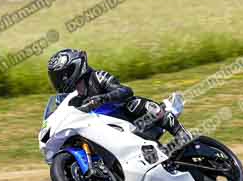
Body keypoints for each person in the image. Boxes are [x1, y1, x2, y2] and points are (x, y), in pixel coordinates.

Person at [47, 48, 191, 155]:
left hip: (131, 120)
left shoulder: (98, 77)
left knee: (132, 104)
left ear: (74, 68)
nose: (59, 81)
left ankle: (181, 134)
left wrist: (103, 98)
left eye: (61, 76)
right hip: (108, 130)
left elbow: (125, 91)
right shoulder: (73, 99)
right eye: (56, 78)